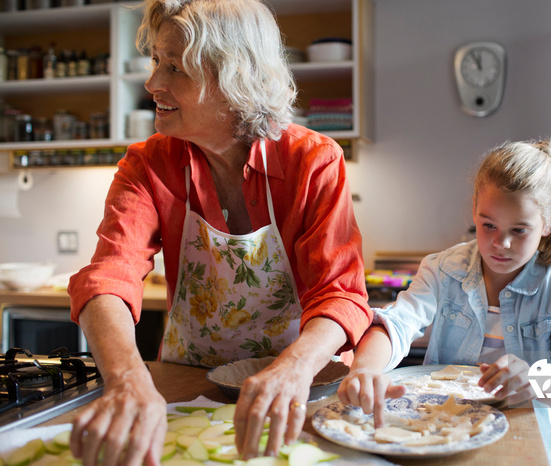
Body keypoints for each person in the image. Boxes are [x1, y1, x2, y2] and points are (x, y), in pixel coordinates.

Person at [66, 0, 371, 464]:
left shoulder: (313, 160)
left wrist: (292, 370)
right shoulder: (148, 164)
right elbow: (109, 277)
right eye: (155, 61)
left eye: (175, 67)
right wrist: (129, 380)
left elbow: (341, 295)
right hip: (192, 387)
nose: (153, 84)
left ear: (234, 77)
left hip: (300, 388)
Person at [338, 139, 551, 465]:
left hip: (529, 446)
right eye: (488, 225)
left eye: (519, 230)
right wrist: (364, 369)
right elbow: (397, 322)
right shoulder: (442, 270)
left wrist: (538, 381)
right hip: (444, 436)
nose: (501, 243)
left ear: (548, 223)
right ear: (474, 210)